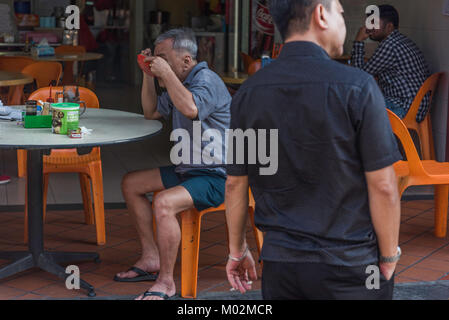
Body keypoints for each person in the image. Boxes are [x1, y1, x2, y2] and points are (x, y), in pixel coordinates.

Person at [225, 0, 402, 300]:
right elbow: (384, 186)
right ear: (321, 14)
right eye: (342, 14)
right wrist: (388, 257)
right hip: (352, 264)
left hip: (282, 266)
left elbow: (235, 183)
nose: (345, 24)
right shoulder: (358, 87)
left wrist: (236, 250)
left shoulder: (248, 94)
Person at [114, 28, 231, 300]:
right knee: (131, 183)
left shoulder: (206, 81)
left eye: (163, 58)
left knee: (164, 202)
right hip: (190, 170)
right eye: (156, 58)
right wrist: (148, 76)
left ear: (187, 61)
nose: (159, 62)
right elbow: (150, 111)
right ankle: (150, 257)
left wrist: (165, 74)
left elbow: (191, 109)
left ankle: (166, 282)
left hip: (218, 175)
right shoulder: (182, 82)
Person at [351, 4, 430, 121]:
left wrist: (358, 41)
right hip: (416, 106)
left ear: (389, 27)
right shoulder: (400, 40)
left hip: (404, 107)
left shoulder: (390, 45)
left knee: (352, 105)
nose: (370, 27)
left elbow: (359, 77)